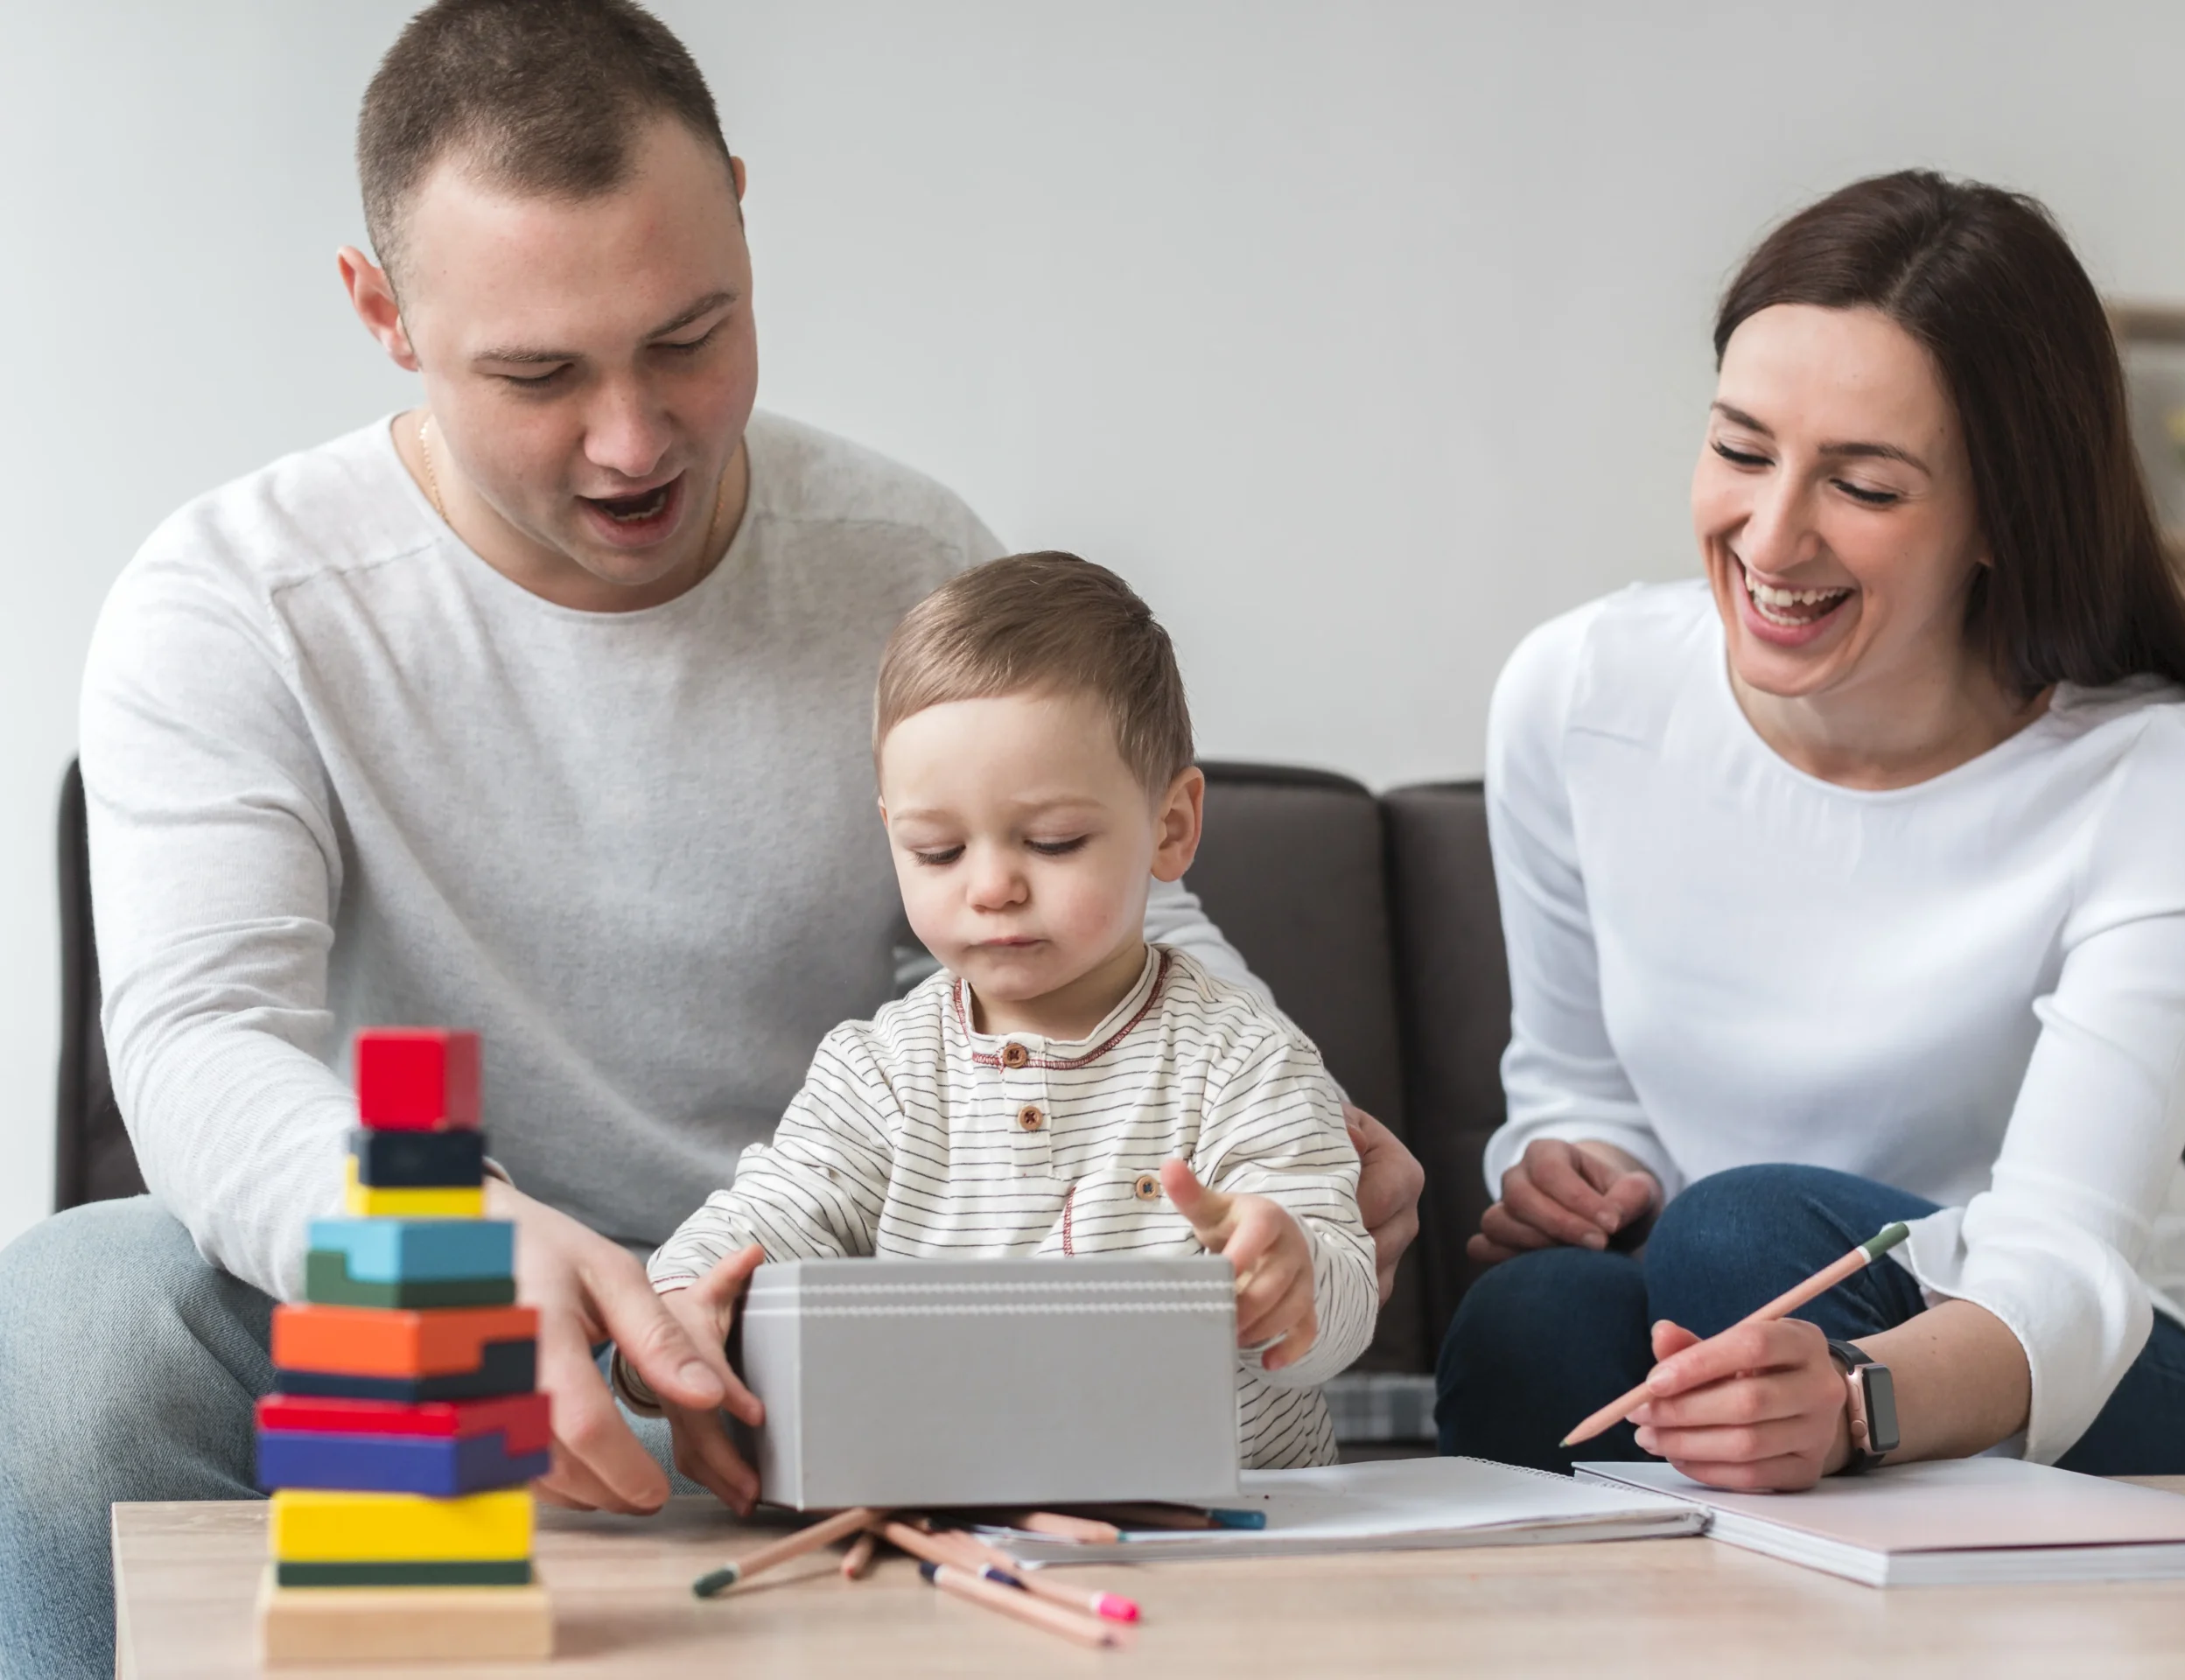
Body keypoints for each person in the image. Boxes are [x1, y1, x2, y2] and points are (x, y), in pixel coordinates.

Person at [0, 5, 1423, 1676]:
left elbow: (1085, 929)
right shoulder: (237, 598)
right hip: (425, 1299)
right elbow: (197, 1042)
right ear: (382, 313)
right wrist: (446, 1224)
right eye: (539, 374)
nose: (633, 439)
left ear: (744, 214)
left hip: (802, 1324)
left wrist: (1291, 1129)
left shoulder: (901, 558)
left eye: (691, 337)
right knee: (79, 1322)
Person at [1436, 170, 2185, 1489]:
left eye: (1862, 485)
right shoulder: (1580, 695)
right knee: (1536, 1322)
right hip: (1743, 1324)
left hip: (2094, 1373)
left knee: (1742, 1241)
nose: (1770, 533)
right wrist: (1576, 1171)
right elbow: (1574, 1084)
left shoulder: (2162, 779)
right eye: (1742, 450)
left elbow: (2065, 1269)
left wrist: (1856, 1402)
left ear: (2001, 516)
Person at [621, 554, 1376, 1493]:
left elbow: (1339, 1311)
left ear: (1173, 826)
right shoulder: (881, 1072)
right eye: (935, 851)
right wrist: (679, 1313)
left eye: (1052, 842)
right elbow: (765, 1218)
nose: (990, 887)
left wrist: (1294, 1271)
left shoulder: (1245, 1058)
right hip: (947, 1517)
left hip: (1224, 1523)